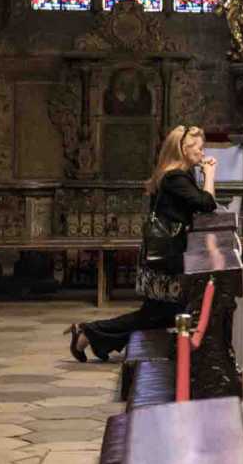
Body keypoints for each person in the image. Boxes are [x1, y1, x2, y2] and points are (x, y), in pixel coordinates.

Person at [65, 125, 219, 362]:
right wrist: (210, 174)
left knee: (159, 314)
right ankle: (88, 332)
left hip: (168, 253)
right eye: (198, 148)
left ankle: (89, 334)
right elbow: (206, 204)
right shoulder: (175, 177)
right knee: (160, 314)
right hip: (167, 255)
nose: (202, 152)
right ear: (183, 149)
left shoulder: (176, 174)